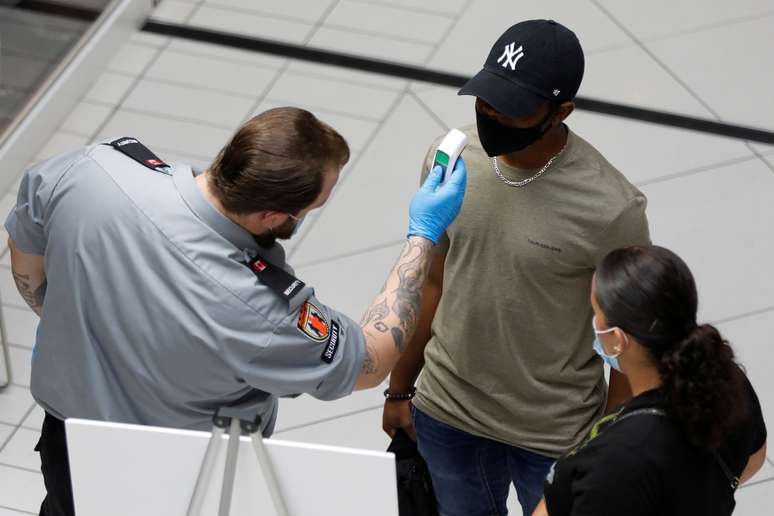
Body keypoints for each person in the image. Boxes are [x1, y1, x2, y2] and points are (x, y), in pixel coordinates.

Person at [5, 106, 467, 516]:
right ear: (271, 216)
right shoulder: (261, 308)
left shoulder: (96, 168)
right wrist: (422, 236)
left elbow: (25, 254)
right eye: (310, 208)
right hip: (179, 479)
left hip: (68, 446)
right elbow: (370, 360)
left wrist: (76, 322)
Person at [382, 19, 651, 516]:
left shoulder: (611, 207)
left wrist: (605, 443)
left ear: (561, 111)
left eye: (513, 108)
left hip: (555, 433)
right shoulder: (453, 161)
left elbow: (626, 338)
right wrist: (400, 388)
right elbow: (432, 282)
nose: (492, 115)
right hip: (447, 414)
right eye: (485, 100)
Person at [535, 245, 767, 516]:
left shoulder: (617, 462)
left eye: (596, 312)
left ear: (617, 339)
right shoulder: (727, 378)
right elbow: (754, 459)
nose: (594, 323)